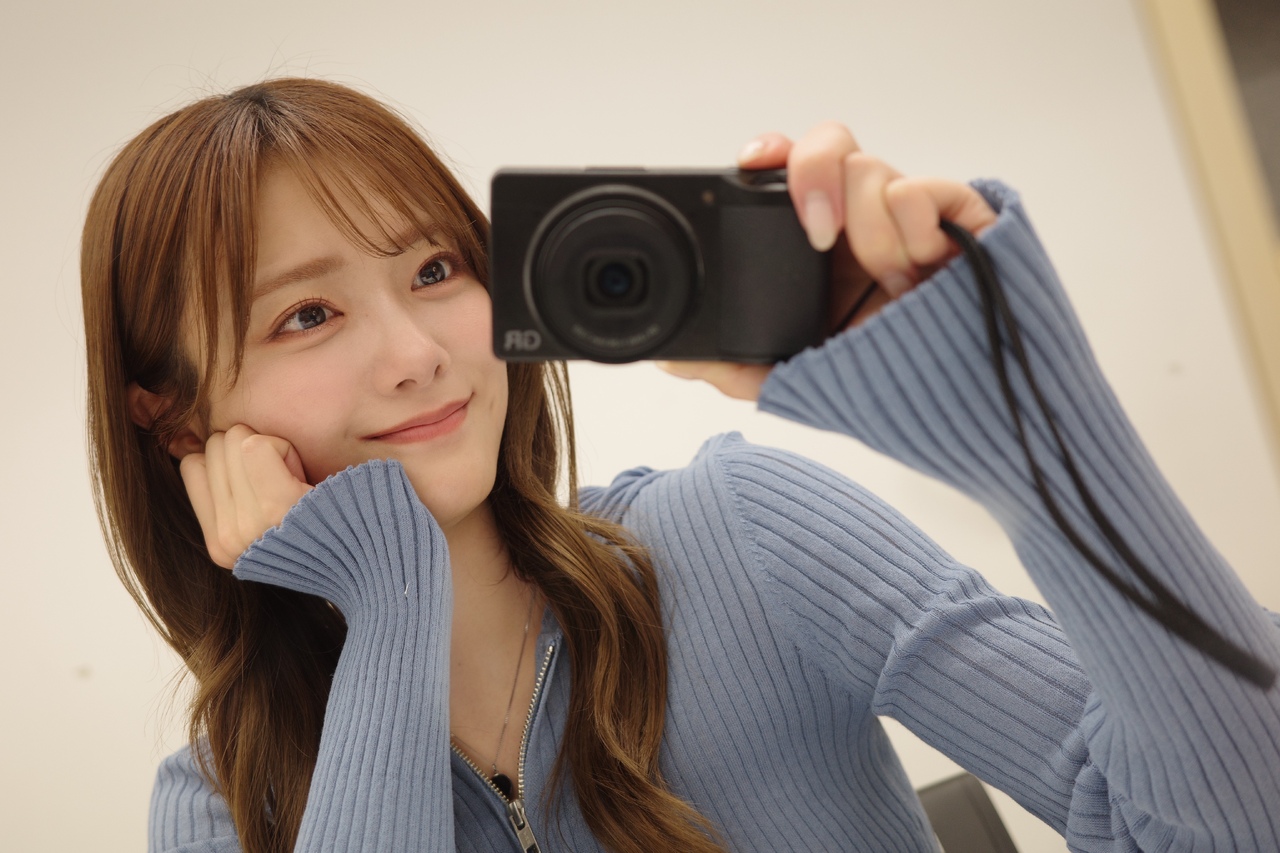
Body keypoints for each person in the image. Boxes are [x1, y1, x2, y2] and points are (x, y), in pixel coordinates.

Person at [80, 77, 1280, 853]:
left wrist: (1023, 420)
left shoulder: (740, 532)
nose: (416, 355)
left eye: (435, 270)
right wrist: (390, 601)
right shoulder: (221, 804)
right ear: (174, 418)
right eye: (305, 316)